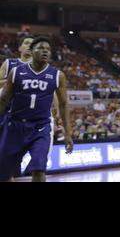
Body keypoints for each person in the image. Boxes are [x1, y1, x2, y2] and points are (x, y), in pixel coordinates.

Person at [0, 38, 74, 182]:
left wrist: (68, 133)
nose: (45, 51)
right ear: (32, 52)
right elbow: (3, 100)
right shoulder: (15, 72)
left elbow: (64, 104)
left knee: (39, 169)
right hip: (15, 125)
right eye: (40, 48)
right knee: (4, 174)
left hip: (40, 127)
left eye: (48, 49)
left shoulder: (57, 75)